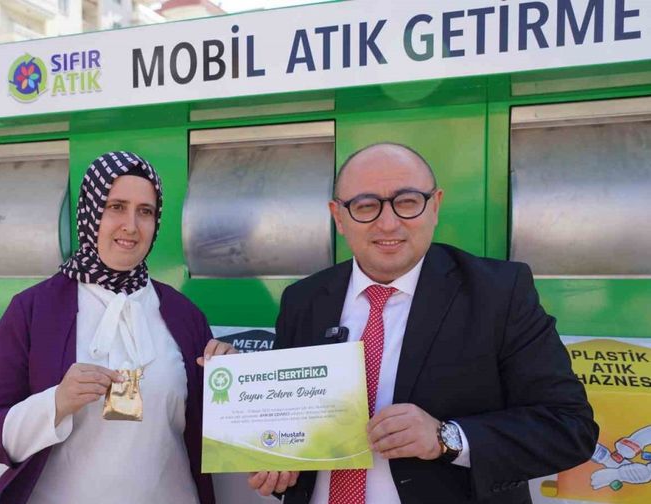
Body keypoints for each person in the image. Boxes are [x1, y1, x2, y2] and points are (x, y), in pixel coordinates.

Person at [248, 143, 598, 503]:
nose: (388, 223)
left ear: (435, 205)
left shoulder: (499, 293)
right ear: (338, 216)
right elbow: (289, 432)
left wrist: (447, 438)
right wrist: (275, 463)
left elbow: (569, 427)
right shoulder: (302, 300)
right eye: (365, 206)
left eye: (407, 202)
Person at [0, 151, 233, 504]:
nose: (131, 226)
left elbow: (216, 433)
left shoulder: (185, 316)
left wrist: (231, 380)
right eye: (116, 207)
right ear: (90, 212)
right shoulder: (33, 310)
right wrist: (56, 403)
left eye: (145, 211)